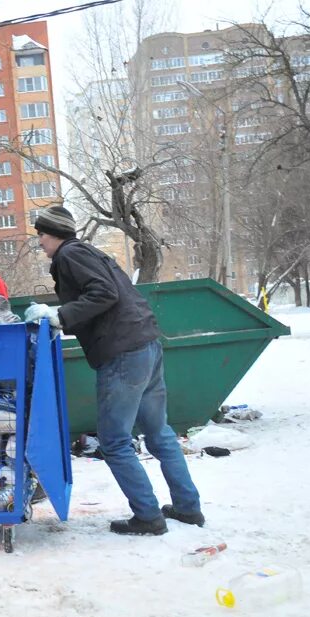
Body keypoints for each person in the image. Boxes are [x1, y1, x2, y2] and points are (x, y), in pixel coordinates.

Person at [32, 205, 203, 536]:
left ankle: (148, 516)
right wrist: (64, 319)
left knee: (113, 441)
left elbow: (104, 294)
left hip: (123, 352)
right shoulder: (90, 253)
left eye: (41, 235)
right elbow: (106, 296)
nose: (39, 242)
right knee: (159, 433)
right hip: (146, 344)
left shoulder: (69, 254)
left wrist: (61, 316)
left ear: (55, 234)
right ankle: (188, 507)